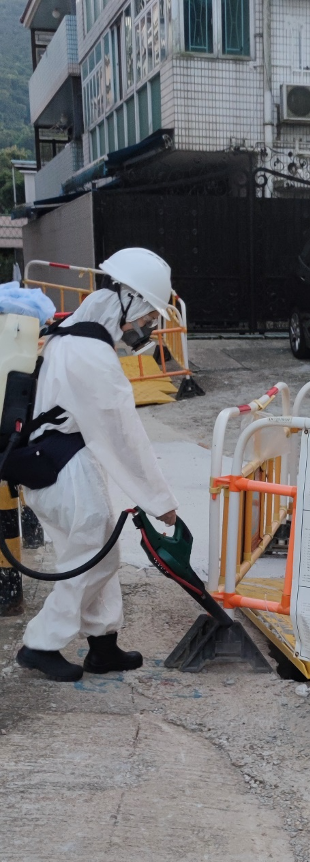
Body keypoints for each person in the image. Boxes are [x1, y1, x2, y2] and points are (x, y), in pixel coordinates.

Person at [15, 248, 179, 683]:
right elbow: (124, 436)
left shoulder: (69, 335)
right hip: (61, 466)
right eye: (146, 321)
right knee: (93, 558)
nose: (146, 331)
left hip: (56, 462)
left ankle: (102, 646)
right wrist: (159, 500)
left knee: (100, 551)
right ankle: (41, 644)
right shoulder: (92, 355)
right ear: (129, 306)